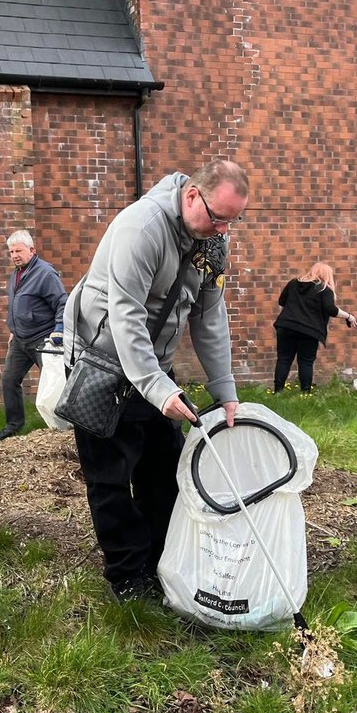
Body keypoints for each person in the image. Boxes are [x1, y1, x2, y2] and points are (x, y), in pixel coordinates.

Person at [64, 160, 247, 601]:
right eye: (218, 218)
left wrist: (224, 388)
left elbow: (209, 316)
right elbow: (126, 317)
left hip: (152, 366)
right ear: (192, 196)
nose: (224, 230)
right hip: (102, 360)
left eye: (233, 221)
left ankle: (161, 560)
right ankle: (127, 575)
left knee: (164, 467)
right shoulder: (141, 228)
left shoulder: (211, 241)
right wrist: (158, 388)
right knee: (110, 476)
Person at [0, 230, 68, 442]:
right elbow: (18, 305)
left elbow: (62, 302)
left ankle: (65, 427)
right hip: (20, 341)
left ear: (32, 250)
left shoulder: (45, 273)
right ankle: (13, 426)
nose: (14, 255)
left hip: (43, 340)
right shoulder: (16, 274)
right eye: (11, 252)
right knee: (9, 380)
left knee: (56, 383)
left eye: (18, 251)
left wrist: (59, 329)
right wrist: (13, 330)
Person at [272, 261, 356, 394]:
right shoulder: (324, 289)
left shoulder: (293, 283)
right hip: (308, 331)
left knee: (284, 359)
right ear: (327, 275)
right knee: (305, 362)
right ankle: (305, 393)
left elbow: (282, 301)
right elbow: (330, 309)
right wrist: (349, 316)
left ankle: (278, 391)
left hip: (286, 326)